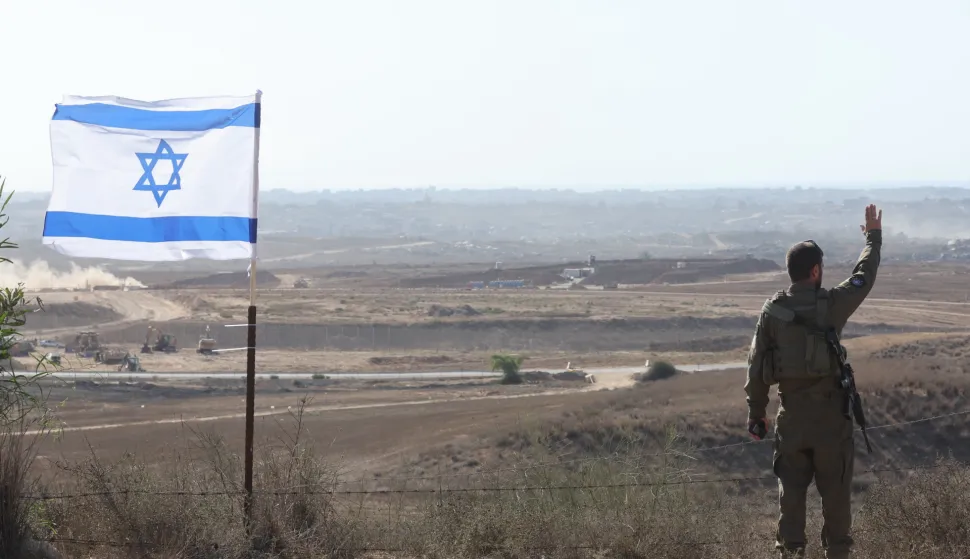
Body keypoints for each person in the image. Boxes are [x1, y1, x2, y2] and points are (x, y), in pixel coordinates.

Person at [744, 204, 883, 559]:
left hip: (791, 423)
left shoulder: (771, 311)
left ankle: (790, 554)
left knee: (790, 502)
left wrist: (757, 413)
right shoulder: (832, 304)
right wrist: (873, 237)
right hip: (831, 424)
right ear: (816, 270)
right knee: (836, 504)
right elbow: (863, 276)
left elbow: (756, 364)